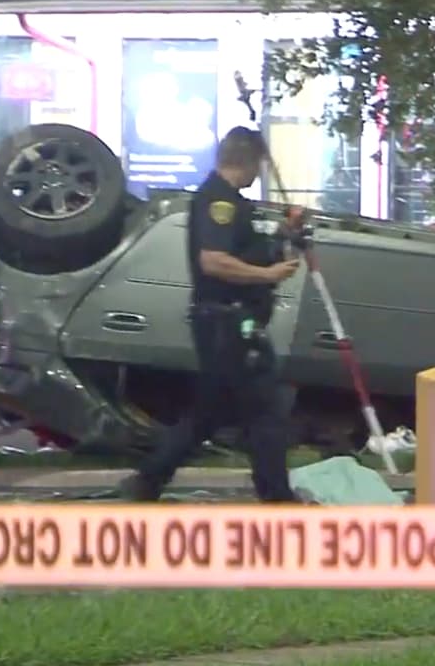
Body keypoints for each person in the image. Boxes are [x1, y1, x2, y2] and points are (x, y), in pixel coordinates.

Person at [119, 126, 304, 503]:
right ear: (249, 161)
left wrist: (284, 234)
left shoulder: (233, 204)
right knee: (265, 411)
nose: (259, 173)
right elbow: (214, 261)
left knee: (212, 411)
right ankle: (278, 498)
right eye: (259, 164)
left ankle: (149, 479)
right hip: (229, 323)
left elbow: (245, 251)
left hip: (230, 323)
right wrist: (268, 275)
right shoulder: (218, 202)